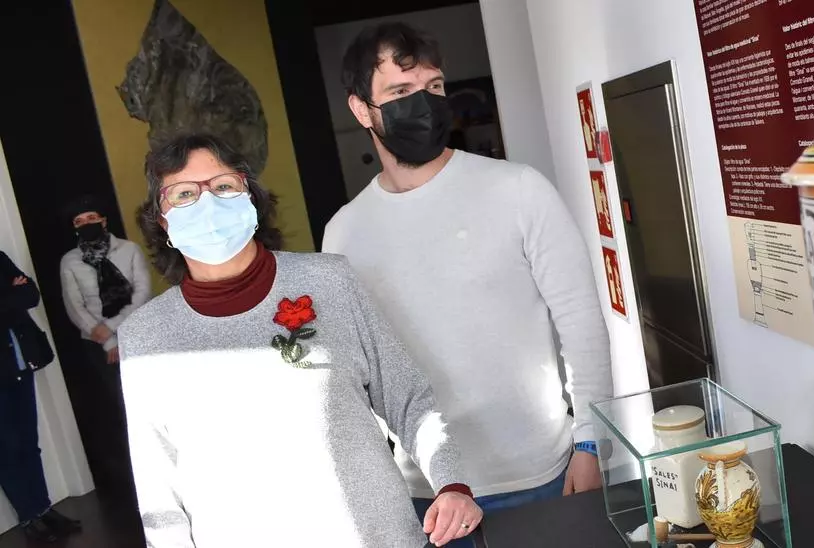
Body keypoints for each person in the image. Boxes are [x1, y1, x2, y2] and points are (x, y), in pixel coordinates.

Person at [119, 133, 482, 547]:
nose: (208, 203)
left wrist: (451, 482)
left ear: (250, 198)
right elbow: (157, 480)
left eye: (223, 186)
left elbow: (406, 395)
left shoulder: (329, 281)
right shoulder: (144, 336)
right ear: (162, 220)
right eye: (184, 194)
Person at [323, 21, 614, 525]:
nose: (423, 103)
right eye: (400, 92)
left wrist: (591, 442)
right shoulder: (344, 233)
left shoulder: (518, 190)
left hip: (541, 473)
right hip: (426, 490)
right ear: (361, 109)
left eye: (433, 86)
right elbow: (358, 370)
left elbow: (581, 322)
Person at [59, 195, 151, 497]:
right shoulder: (70, 261)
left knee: (149, 400)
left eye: (91, 218)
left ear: (103, 220)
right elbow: (75, 307)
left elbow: (142, 293)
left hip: (137, 334)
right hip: (99, 346)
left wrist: (114, 328)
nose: (87, 224)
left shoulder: (129, 249)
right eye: (79, 221)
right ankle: (138, 473)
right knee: (120, 406)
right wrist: (109, 341)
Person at [0, 251, 82, 542]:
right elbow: (18, 299)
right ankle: (29, 517)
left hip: (20, 365)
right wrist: (11, 294)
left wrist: (12, 296)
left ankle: (44, 509)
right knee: (7, 450)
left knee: (28, 443)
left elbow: (31, 295)